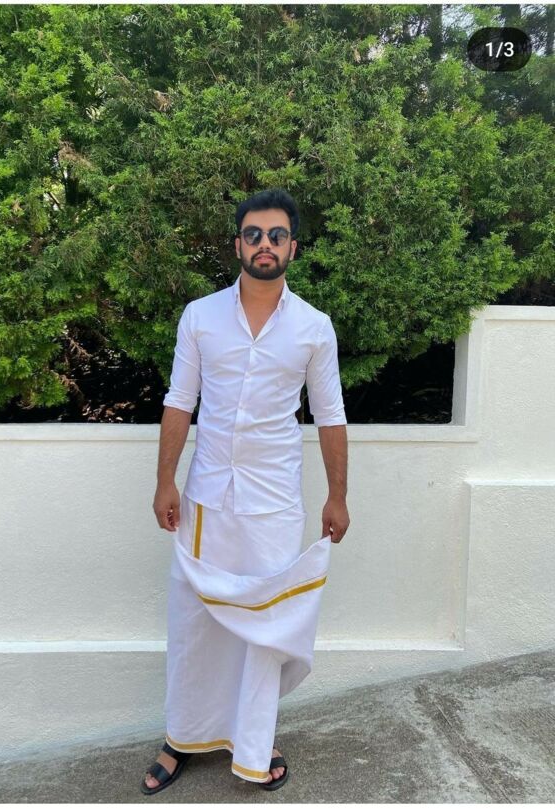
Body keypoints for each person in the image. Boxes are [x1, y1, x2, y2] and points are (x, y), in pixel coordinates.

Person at [141, 188, 350, 795]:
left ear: (292, 247)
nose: (265, 244)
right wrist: (165, 482)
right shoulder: (200, 316)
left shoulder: (314, 328)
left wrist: (337, 495)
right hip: (206, 498)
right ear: (238, 244)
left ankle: (255, 743)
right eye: (254, 234)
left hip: (274, 501)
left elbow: (330, 416)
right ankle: (182, 737)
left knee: (266, 628)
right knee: (195, 624)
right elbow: (180, 401)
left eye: (276, 235)